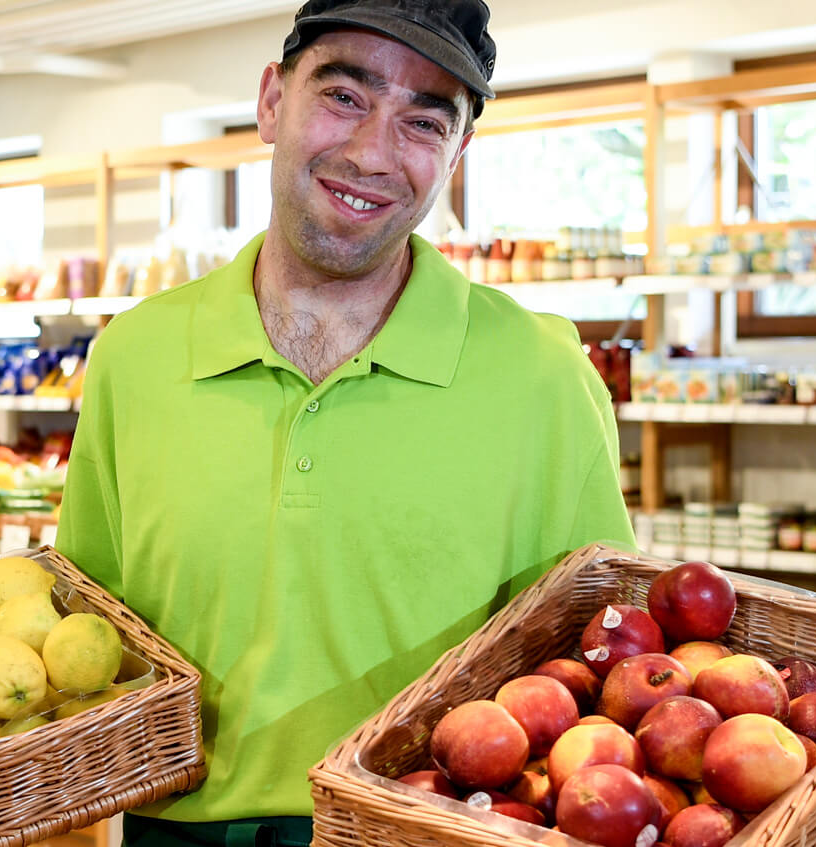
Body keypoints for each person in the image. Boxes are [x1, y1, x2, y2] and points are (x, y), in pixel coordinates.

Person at [52, 2, 636, 843]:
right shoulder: (135, 356)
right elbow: (92, 641)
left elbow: (594, 669)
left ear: (455, 155)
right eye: (344, 96)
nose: (371, 152)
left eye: (424, 122)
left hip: (434, 831)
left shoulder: (543, 374)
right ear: (269, 101)